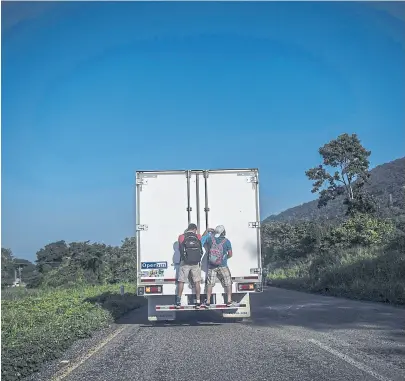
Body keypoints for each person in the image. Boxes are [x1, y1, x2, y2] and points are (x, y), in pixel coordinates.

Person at [201, 225, 236, 308]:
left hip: (211, 266)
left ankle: (208, 301)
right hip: (223, 265)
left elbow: (201, 240)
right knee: (228, 282)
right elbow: (230, 254)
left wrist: (207, 231)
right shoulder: (226, 241)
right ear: (223, 232)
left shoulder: (210, 239)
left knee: (210, 283)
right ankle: (229, 300)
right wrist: (224, 258)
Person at [176, 223, 204, 309]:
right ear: (195, 229)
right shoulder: (198, 236)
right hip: (195, 263)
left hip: (185, 263)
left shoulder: (181, 236)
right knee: (197, 282)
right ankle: (198, 301)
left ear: (188, 228)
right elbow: (201, 244)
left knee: (181, 281)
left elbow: (180, 248)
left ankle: (178, 301)